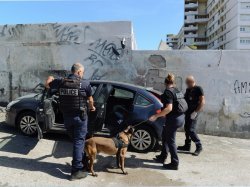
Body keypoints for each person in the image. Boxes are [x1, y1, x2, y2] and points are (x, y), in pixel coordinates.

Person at [45, 63, 96, 181]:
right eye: (82, 72)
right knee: (79, 142)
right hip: (80, 118)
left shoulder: (61, 82)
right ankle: (76, 170)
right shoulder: (85, 83)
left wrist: (50, 78)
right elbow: (90, 99)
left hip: (67, 118)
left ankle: (82, 159)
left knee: (76, 141)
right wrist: (92, 107)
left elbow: (47, 85)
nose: (82, 75)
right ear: (78, 72)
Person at [149, 73, 186, 170]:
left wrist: (156, 116)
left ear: (165, 83)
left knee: (171, 141)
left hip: (174, 119)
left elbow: (169, 108)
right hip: (180, 117)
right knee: (165, 135)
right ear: (174, 82)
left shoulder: (168, 92)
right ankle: (162, 156)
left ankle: (174, 163)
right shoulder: (177, 90)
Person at [178, 75, 205, 156]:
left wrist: (195, 112)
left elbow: (202, 102)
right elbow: (185, 99)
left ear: (192, 82)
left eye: (187, 83)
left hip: (194, 112)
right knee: (186, 128)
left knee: (191, 130)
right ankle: (187, 145)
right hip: (188, 112)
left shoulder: (198, 89)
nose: (186, 84)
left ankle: (199, 146)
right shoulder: (188, 89)